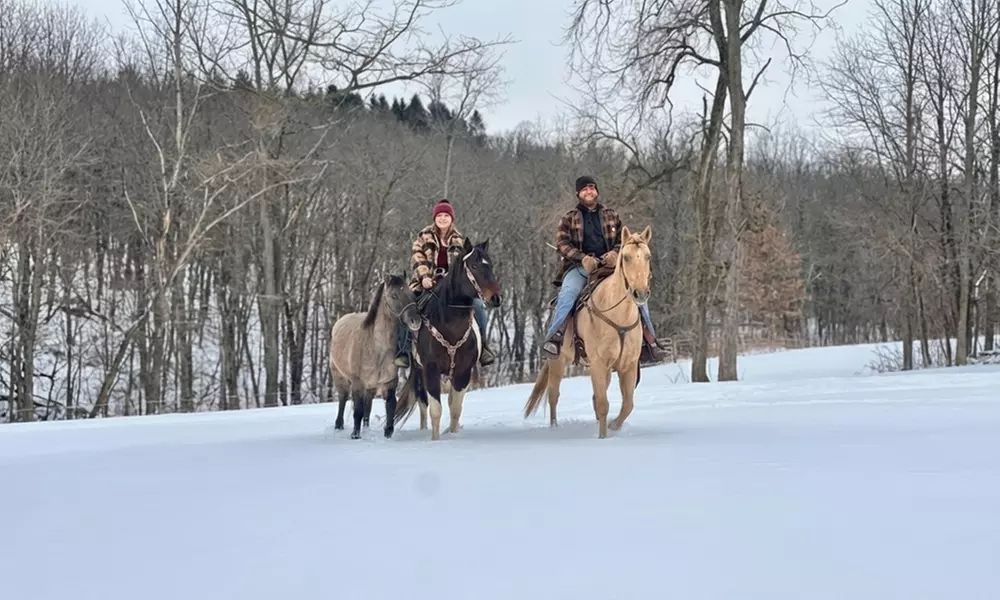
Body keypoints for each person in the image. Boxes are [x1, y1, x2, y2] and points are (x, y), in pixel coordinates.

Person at [541, 175, 667, 363]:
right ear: (578, 194)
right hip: (580, 268)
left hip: (611, 267)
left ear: (597, 191)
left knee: (638, 291)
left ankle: (650, 341)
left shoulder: (611, 215)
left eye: (592, 188)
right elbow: (562, 244)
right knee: (568, 293)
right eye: (584, 189)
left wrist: (616, 254)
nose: (589, 191)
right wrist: (582, 258)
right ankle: (555, 338)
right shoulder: (569, 218)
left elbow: (624, 241)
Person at [394, 199, 496, 368]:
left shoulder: (460, 241)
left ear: (451, 219)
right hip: (426, 284)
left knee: (478, 306)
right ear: (434, 218)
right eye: (439, 215)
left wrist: (453, 281)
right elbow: (417, 258)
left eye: (446, 216)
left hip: (451, 289)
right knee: (407, 308)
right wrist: (425, 277)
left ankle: (483, 346)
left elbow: (462, 267)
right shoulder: (423, 236)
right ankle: (403, 351)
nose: (442, 219)